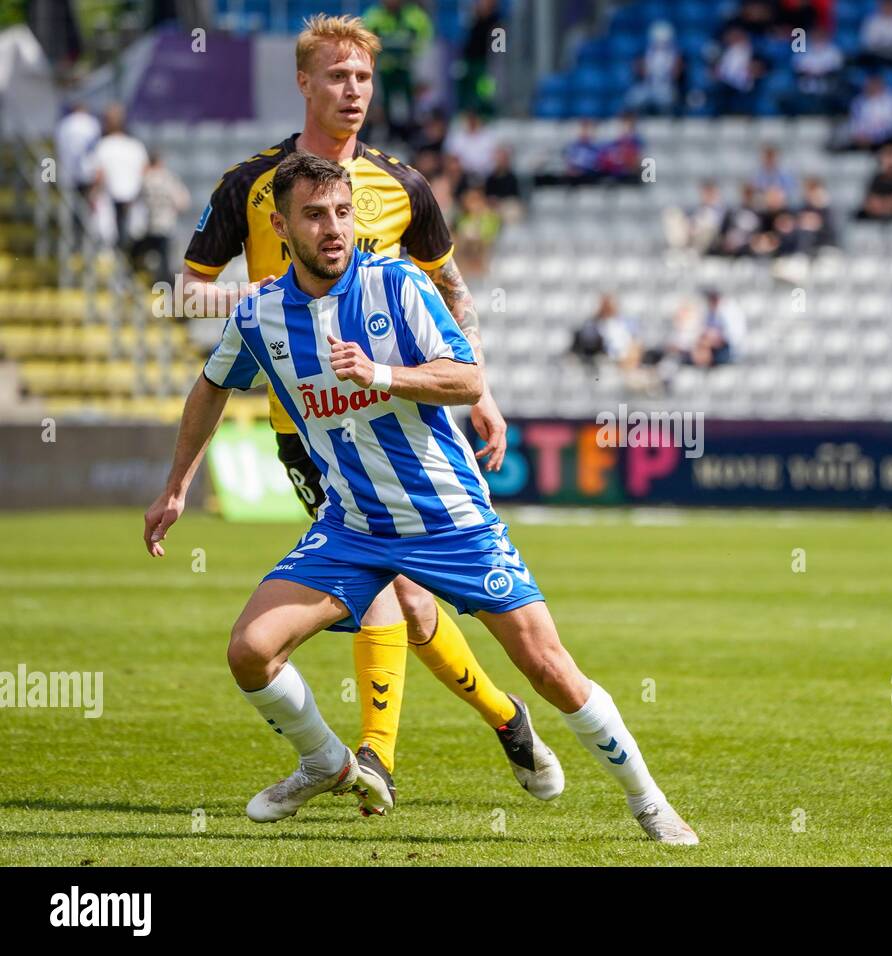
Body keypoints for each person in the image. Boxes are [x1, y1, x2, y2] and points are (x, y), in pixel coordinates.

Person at [144, 153, 698, 844]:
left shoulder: (399, 284)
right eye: (315, 215)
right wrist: (175, 488)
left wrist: (380, 372)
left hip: (450, 521)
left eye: (342, 212)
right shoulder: (260, 313)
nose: (333, 227)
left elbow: (467, 379)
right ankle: (325, 761)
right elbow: (211, 386)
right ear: (282, 227)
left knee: (552, 670)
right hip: (351, 526)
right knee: (250, 651)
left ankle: (649, 802)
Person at [178, 14, 528, 816]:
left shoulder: (403, 184)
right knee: (399, 595)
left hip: (405, 419)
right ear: (305, 82)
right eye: (337, 76)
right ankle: (470, 729)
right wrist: (265, 306)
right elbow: (189, 287)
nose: (353, 91)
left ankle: (413, 748)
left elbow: (453, 294)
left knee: (406, 595)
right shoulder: (251, 183)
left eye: (364, 78)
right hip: (309, 430)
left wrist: (487, 393)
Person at [362, 0, 432, 139]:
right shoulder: (374, 16)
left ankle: (411, 134)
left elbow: (426, 38)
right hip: (384, 70)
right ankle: (385, 132)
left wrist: (413, 50)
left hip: (408, 69)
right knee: (382, 102)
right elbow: (364, 40)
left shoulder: (415, 16)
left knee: (412, 103)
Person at [91, 103, 148, 251]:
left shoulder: (103, 146)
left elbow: (99, 176)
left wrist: (92, 196)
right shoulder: (136, 146)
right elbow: (145, 173)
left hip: (112, 201)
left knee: (110, 241)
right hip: (131, 200)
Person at [134, 149, 190, 284]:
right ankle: (165, 285)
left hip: (150, 225)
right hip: (166, 224)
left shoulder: (144, 179)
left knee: (146, 256)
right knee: (165, 260)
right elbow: (182, 202)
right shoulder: (168, 178)